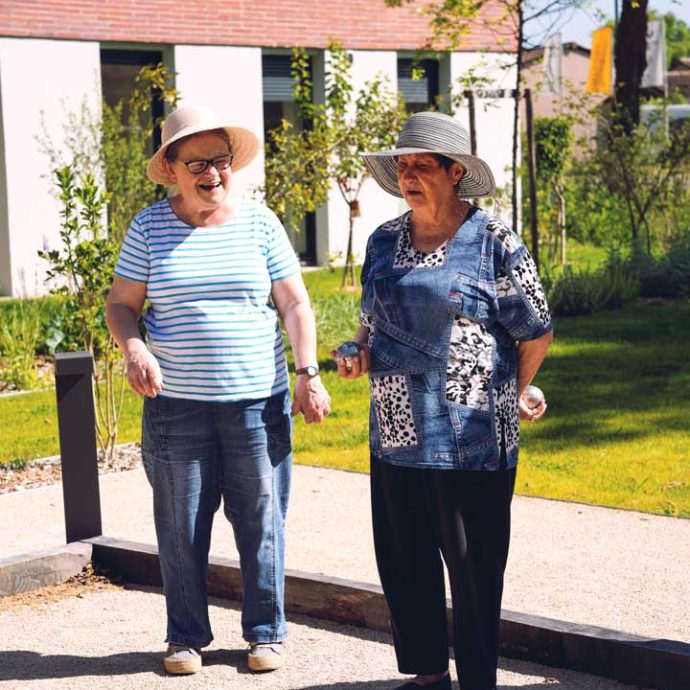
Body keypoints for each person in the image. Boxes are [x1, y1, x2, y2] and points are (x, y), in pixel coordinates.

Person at [105, 103, 330, 676]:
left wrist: (308, 373)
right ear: (172, 168)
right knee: (180, 527)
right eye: (198, 162)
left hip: (257, 403)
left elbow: (295, 303)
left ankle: (265, 633)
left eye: (221, 161)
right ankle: (185, 637)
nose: (212, 173)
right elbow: (122, 306)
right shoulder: (149, 227)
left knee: (261, 521)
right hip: (176, 407)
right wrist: (135, 348)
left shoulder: (260, 222)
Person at [333, 111, 552, 690]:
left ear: (455, 173)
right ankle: (427, 673)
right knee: (404, 561)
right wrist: (355, 350)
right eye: (402, 166)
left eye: (421, 166)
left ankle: (478, 679)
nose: (408, 175)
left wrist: (511, 390)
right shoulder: (383, 240)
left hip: (472, 436)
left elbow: (535, 329)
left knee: (474, 568)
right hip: (396, 427)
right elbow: (368, 319)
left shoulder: (494, 241)